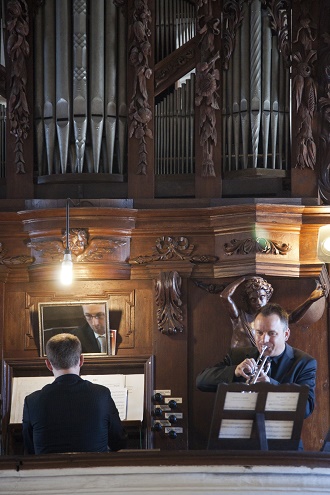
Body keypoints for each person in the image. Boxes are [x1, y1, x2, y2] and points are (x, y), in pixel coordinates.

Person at [196, 303, 316, 419]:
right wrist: (235, 371)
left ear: (286, 334)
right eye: (259, 333)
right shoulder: (238, 355)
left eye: (272, 333)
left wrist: (271, 385)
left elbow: (306, 409)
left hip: (280, 437)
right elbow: (201, 382)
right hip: (241, 435)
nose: (264, 340)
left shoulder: (304, 363)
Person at [22, 333, 127, 454]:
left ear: (48, 364)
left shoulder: (32, 400)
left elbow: (30, 449)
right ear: (81, 360)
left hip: (49, 471)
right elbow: (118, 442)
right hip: (93, 470)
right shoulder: (101, 394)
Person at [220, 275, 326, 348]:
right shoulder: (239, 317)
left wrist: (310, 300)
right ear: (248, 301)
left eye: (262, 297)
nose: (258, 302)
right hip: (239, 364)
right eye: (253, 299)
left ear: (268, 298)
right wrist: (243, 278)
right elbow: (224, 296)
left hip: (262, 365)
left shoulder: (274, 320)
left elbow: (292, 318)